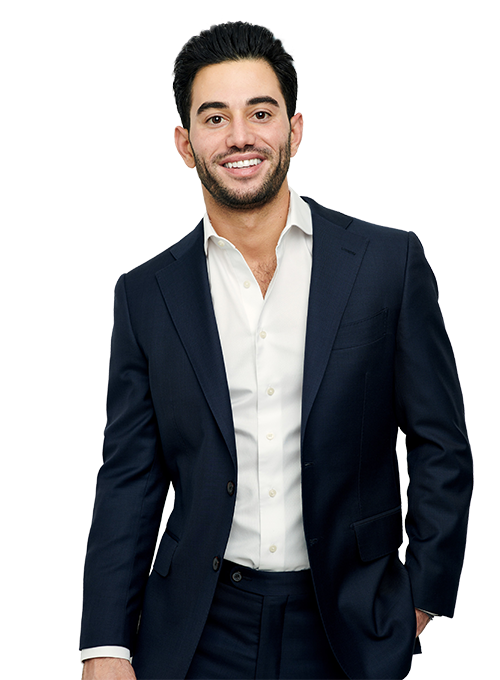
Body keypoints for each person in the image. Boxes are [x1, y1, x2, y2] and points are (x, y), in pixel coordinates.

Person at [80, 21, 473, 680]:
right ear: (185, 142)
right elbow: (129, 480)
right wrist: (105, 644)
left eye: (260, 112)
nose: (239, 136)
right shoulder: (145, 295)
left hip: (349, 620)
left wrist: (421, 600)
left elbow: (441, 443)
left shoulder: (386, 265)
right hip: (199, 628)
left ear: (294, 128)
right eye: (215, 117)